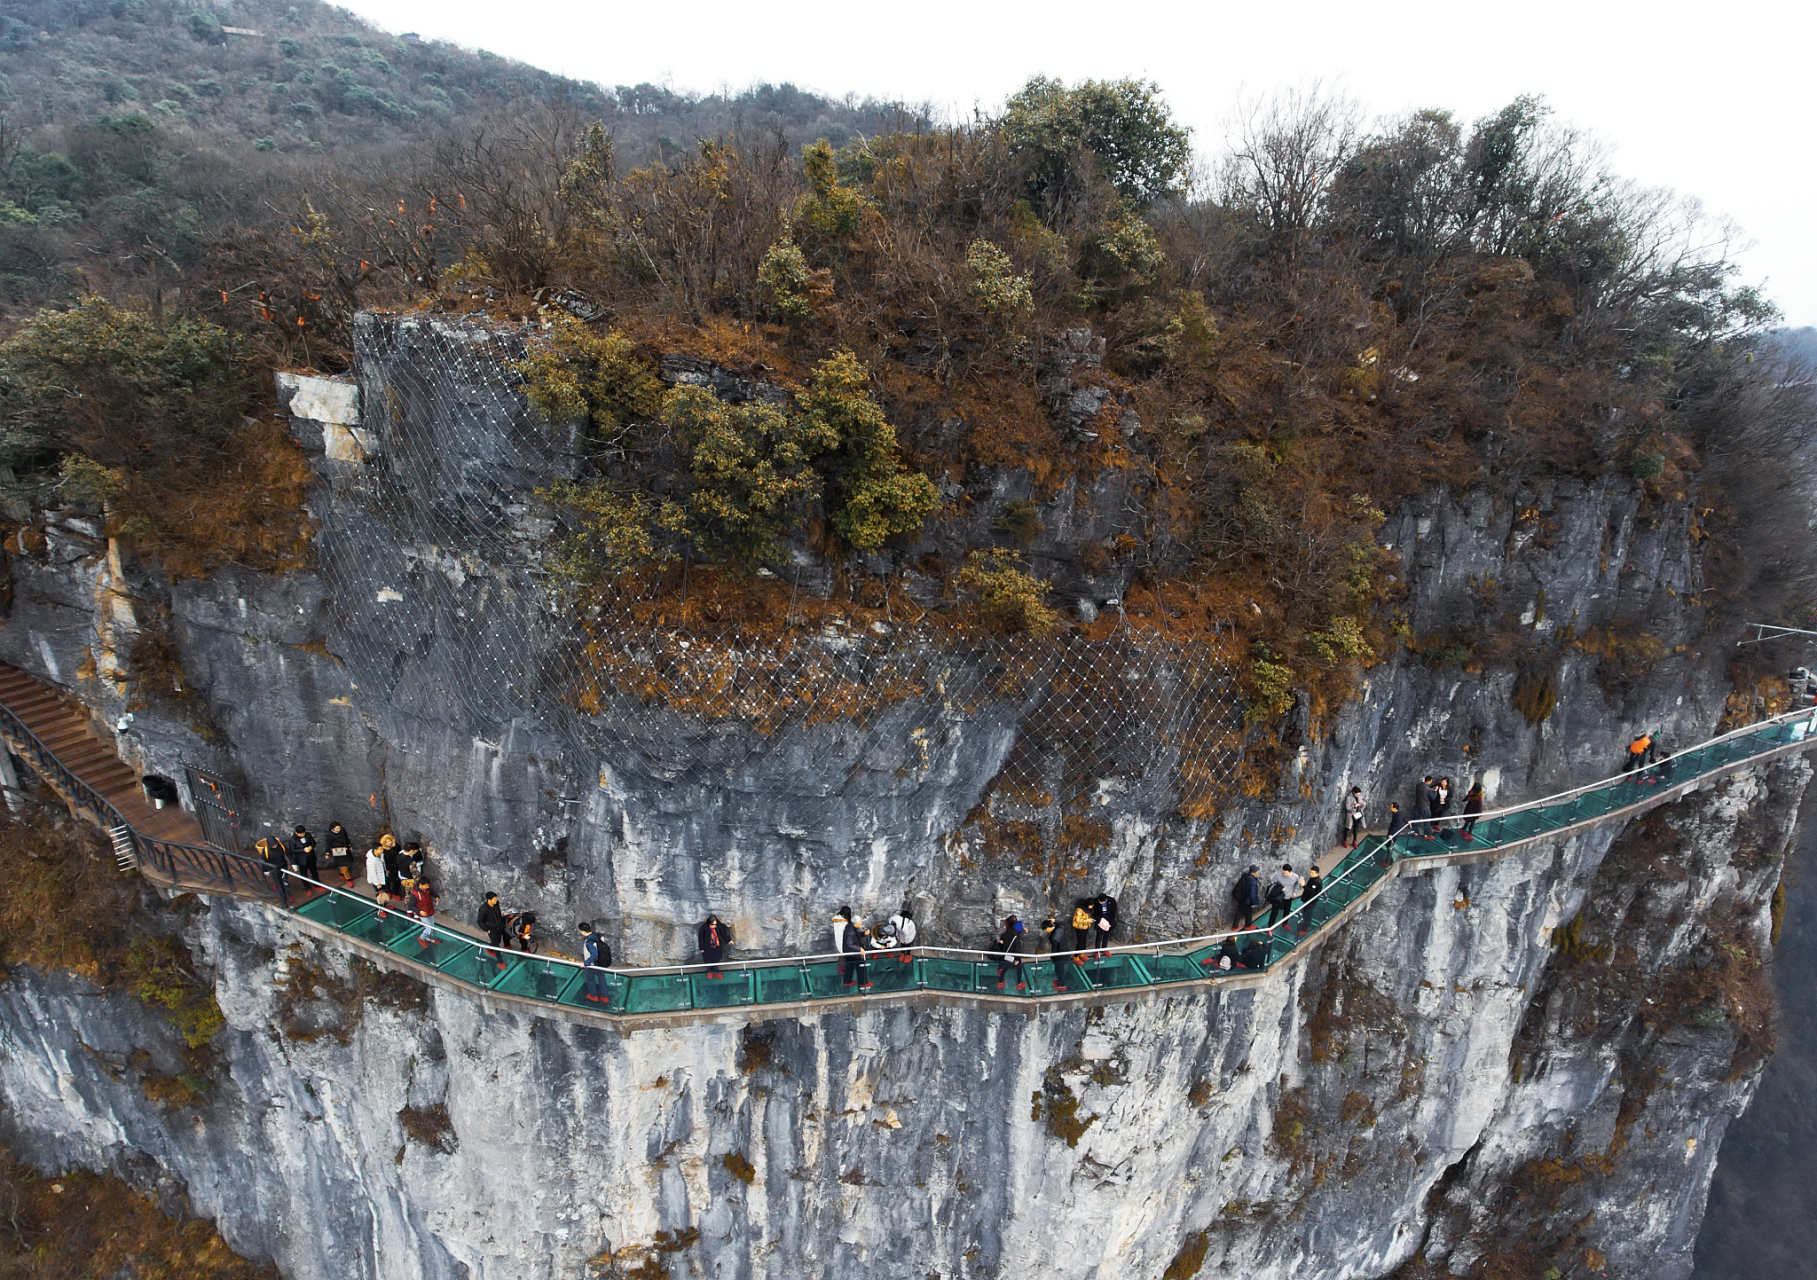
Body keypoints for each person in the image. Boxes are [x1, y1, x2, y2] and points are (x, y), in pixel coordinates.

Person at [578, 921, 612, 1004]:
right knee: (602, 979)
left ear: (582, 931)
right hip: (601, 963)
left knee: (590, 979)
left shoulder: (589, 942)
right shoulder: (597, 936)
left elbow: (594, 954)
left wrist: (586, 963)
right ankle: (604, 996)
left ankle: (593, 995)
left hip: (593, 965)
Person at [839, 906, 871, 989]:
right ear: (856, 923)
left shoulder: (851, 927)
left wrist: (863, 934)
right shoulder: (851, 930)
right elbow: (849, 944)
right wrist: (859, 949)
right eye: (860, 921)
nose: (861, 922)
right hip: (853, 953)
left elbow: (854, 937)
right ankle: (863, 983)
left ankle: (847, 981)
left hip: (849, 953)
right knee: (861, 967)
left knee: (850, 967)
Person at [257, 835, 291, 909]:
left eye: (275, 844)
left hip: (283, 865)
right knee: (279, 882)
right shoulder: (266, 850)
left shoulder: (282, 846)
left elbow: (289, 854)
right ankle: (284, 896)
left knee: (285, 880)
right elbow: (264, 860)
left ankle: (286, 892)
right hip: (274, 868)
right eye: (273, 845)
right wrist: (265, 870)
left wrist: (293, 863)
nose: (275, 846)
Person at [1266, 863, 1303, 928]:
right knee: (1274, 912)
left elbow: (1297, 884)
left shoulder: (1295, 877)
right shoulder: (1277, 875)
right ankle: (1270, 927)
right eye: (1283, 872)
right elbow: (1273, 884)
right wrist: (1279, 888)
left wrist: (1295, 892)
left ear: (1290, 872)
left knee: (1287, 911)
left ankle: (1285, 923)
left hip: (1288, 897)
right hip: (1278, 897)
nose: (1284, 874)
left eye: (1286, 873)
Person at [477, 892, 508, 968]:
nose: (495, 901)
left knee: (498, 940)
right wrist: (486, 929)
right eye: (494, 900)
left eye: (496, 899)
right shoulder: (483, 909)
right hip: (491, 928)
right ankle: (500, 960)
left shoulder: (496, 904)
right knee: (496, 944)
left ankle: (489, 949)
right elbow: (480, 921)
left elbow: (498, 913)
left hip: (498, 926)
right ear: (489, 900)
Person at [996, 916, 1027, 991]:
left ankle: (1000, 982)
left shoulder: (1005, 934)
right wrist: (1017, 959)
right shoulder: (1017, 938)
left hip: (1006, 955)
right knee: (1019, 968)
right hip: (1013, 955)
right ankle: (1019, 984)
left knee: (1005, 967)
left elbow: (1002, 944)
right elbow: (1017, 950)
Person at [698, 914, 733, 978]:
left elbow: (723, 934)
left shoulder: (718, 927)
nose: (714, 926)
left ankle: (716, 971)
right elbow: (701, 938)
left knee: (716, 958)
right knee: (708, 959)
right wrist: (702, 948)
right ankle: (709, 970)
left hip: (716, 945)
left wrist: (728, 940)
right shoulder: (703, 928)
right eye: (712, 925)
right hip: (707, 947)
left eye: (715, 924)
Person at [409, 878, 439, 947]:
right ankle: (421, 938)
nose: (427, 887)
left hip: (430, 910)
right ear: (421, 885)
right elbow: (410, 906)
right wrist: (419, 911)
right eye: (426, 885)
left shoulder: (427, 889)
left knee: (432, 926)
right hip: (423, 913)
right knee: (428, 927)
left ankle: (428, 938)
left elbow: (432, 892)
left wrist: (437, 897)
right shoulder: (414, 894)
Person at [1233, 865, 1264, 930]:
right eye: (1256, 871)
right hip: (1247, 900)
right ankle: (1248, 925)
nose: (1257, 872)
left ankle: (1234, 926)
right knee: (1249, 913)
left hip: (1241, 897)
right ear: (1254, 872)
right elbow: (1252, 894)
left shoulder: (1245, 876)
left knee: (1239, 911)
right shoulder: (1253, 881)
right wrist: (1254, 903)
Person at [1091, 892, 1119, 958]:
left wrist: (1111, 922)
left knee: (1106, 935)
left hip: (1108, 920)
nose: (1101, 903)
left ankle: (1104, 949)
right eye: (1100, 901)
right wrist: (1099, 920)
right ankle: (1097, 951)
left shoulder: (1112, 901)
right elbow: (1094, 912)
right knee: (1099, 936)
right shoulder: (1095, 901)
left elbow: (1114, 912)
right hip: (1100, 920)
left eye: (1102, 902)